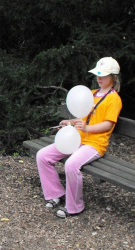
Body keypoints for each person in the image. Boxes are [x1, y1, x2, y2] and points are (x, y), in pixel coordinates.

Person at [36, 57, 123, 219]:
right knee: (43, 156)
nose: (99, 78)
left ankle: (74, 206)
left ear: (113, 77)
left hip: (95, 144)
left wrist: (87, 128)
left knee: (71, 165)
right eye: (98, 74)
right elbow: (83, 118)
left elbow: (108, 125)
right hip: (77, 139)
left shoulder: (114, 99)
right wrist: (69, 122)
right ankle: (55, 194)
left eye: (103, 75)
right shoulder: (91, 94)